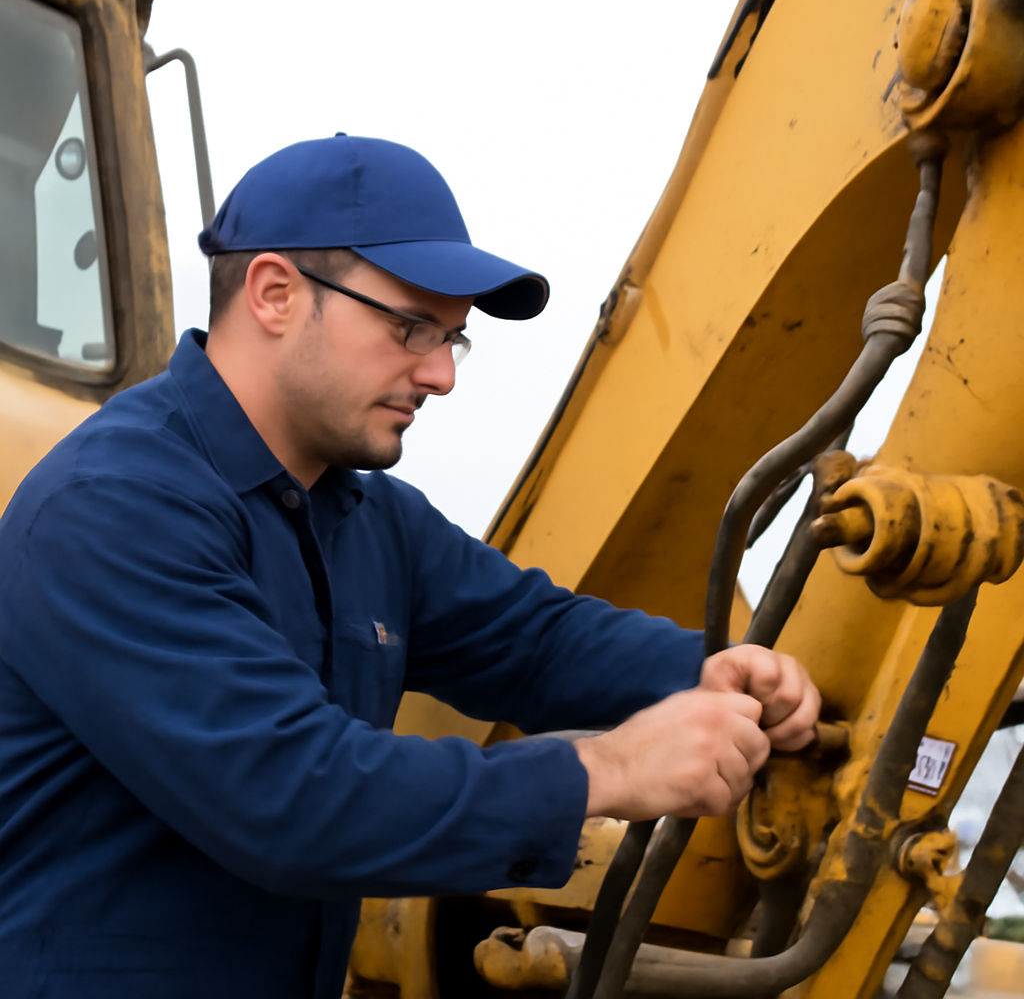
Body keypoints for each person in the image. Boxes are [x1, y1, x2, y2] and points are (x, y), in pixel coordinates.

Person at [0, 135, 820, 998]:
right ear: (275, 293)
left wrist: (723, 669)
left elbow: (534, 639)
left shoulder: (366, 516)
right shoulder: (113, 506)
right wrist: (610, 770)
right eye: (410, 328)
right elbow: (292, 797)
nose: (440, 375)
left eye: (452, 338)